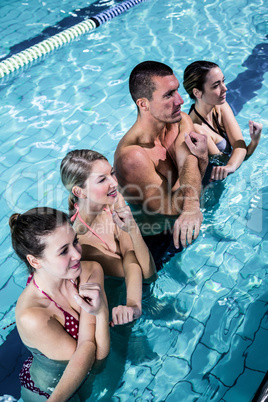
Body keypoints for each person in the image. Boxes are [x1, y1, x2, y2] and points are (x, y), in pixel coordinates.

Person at [113, 60, 209, 264]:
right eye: (168, 95)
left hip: (183, 220)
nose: (181, 101)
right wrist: (200, 159)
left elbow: (188, 166)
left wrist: (198, 160)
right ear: (143, 104)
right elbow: (174, 209)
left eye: (176, 91)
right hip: (155, 240)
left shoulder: (180, 121)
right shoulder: (133, 157)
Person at [10, 207, 110, 401]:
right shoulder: (33, 316)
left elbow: (94, 360)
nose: (78, 255)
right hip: (50, 392)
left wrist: (101, 312)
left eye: (75, 242)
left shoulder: (89, 271)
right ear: (35, 261)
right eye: (64, 251)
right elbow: (93, 362)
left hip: (84, 378)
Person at [60, 149, 156, 324]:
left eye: (112, 173)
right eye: (102, 179)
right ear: (80, 192)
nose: (114, 183)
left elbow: (131, 255)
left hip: (135, 289)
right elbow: (147, 274)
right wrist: (133, 305)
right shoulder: (83, 243)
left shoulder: (112, 202)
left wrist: (132, 228)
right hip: (113, 306)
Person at [183, 60, 262, 181]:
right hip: (209, 185)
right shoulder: (197, 129)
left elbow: (238, 146)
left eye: (223, 81)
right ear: (197, 92)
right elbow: (225, 165)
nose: (225, 88)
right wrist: (233, 163)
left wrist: (254, 142)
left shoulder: (221, 106)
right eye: (216, 85)